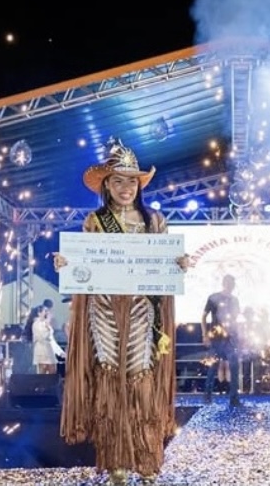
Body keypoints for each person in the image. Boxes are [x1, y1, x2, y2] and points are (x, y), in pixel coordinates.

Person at [54, 139, 189, 485]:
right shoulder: (95, 220)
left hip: (143, 308)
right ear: (106, 185)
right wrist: (67, 263)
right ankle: (115, 462)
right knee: (110, 376)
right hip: (104, 307)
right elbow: (83, 264)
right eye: (118, 181)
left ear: (139, 186)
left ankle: (146, 461)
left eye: (132, 181)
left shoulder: (154, 220)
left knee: (141, 379)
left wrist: (178, 264)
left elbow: (165, 262)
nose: (126, 188)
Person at [201, 274, 241, 405]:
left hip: (230, 338)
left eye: (232, 283)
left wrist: (236, 335)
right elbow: (203, 316)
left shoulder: (235, 300)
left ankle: (234, 398)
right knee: (213, 367)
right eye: (229, 283)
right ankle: (207, 397)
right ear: (224, 283)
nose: (231, 285)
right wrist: (205, 335)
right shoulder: (213, 297)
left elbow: (235, 319)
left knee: (234, 366)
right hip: (216, 338)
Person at [26, 302, 64, 375]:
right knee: (42, 376)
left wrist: (60, 352)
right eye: (45, 311)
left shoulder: (47, 324)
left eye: (47, 311)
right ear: (39, 313)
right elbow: (43, 337)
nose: (47, 313)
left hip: (50, 353)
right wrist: (47, 325)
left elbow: (51, 340)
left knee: (53, 374)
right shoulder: (36, 324)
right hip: (42, 353)